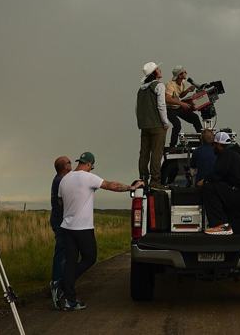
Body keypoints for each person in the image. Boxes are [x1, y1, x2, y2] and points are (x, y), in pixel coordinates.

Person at [58, 152, 143, 311]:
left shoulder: (65, 179)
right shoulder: (88, 177)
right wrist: (131, 187)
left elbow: (60, 202)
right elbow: (112, 185)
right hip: (82, 228)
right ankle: (64, 284)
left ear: (80, 162)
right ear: (89, 164)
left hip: (67, 227)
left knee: (71, 262)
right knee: (90, 258)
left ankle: (69, 299)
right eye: (91, 167)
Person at [201, 132, 240, 235]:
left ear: (219, 145)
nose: (213, 148)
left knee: (209, 187)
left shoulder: (226, 154)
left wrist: (203, 181)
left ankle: (220, 225)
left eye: (214, 145)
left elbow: (217, 174)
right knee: (224, 191)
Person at [136, 61, 170, 189]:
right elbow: (161, 106)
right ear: (155, 72)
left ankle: (142, 178)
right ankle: (155, 181)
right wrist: (165, 122)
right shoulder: (159, 86)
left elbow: (137, 108)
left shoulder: (141, 89)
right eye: (158, 69)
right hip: (157, 125)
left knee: (144, 153)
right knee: (157, 153)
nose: (160, 70)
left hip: (144, 125)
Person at [49, 155, 72, 310]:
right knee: (62, 252)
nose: (71, 164)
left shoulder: (59, 179)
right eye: (69, 162)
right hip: (60, 222)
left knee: (65, 251)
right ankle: (57, 284)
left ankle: (60, 282)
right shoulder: (60, 181)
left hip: (59, 221)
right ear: (64, 167)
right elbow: (62, 203)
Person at [165, 66, 203, 149]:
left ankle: (202, 141)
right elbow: (167, 98)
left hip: (177, 107)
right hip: (169, 109)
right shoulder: (170, 85)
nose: (186, 73)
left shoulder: (182, 83)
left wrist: (188, 90)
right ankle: (172, 146)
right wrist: (182, 104)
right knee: (177, 125)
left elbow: (180, 95)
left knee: (195, 118)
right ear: (179, 75)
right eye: (184, 72)